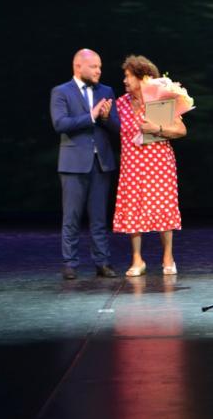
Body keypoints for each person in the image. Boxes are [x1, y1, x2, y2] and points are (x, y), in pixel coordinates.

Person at [50, 49, 120, 280]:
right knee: (72, 217)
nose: (99, 71)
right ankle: (70, 263)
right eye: (94, 66)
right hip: (73, 164)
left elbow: (117, 127)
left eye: (100, 67)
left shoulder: (106, 91)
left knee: (99, 217)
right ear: (78, 66)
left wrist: (106, 118)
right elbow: (60, 124)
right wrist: (91, 116)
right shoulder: (61, 92)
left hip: (100, 163)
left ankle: (102, 262)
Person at [113, 55, 185, 277]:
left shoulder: (159, 101)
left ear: (142, 77)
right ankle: (137, 259)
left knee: (164, 207)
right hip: (132, 163)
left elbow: (181, 130)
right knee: (133, 208)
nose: (125, 80)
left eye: (128, 76)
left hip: (158, 163)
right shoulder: (121, 103)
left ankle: (168, 257)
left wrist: (157, 129)